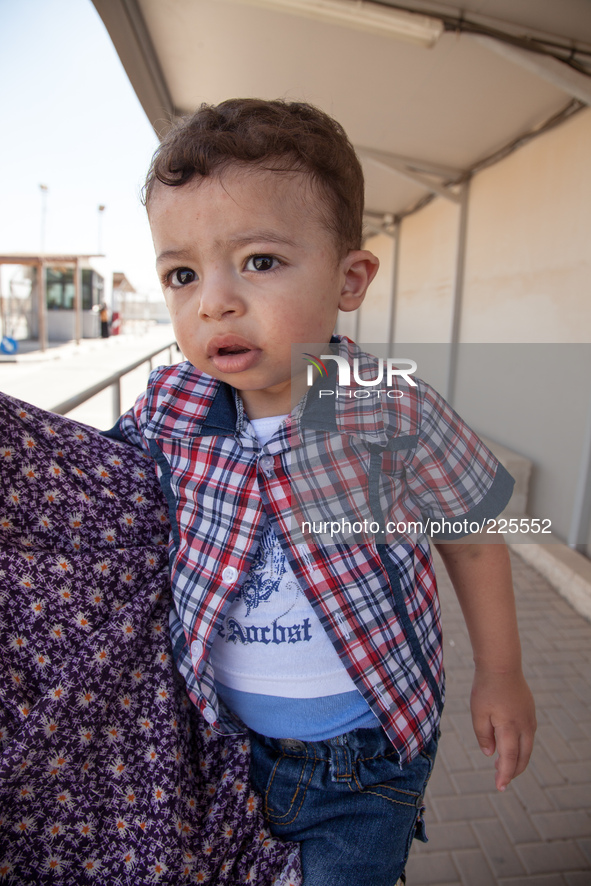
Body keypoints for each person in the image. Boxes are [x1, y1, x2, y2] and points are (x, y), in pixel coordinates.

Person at [108, 99, 536, 886]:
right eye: (181, 273)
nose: (214, 302)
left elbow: (470, 530)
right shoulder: (170, 408)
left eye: (259, 262)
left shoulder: (380, 404)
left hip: (364, 762)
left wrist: (500, 671)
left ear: (349, 279)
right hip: (218, 747)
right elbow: (84, 493)